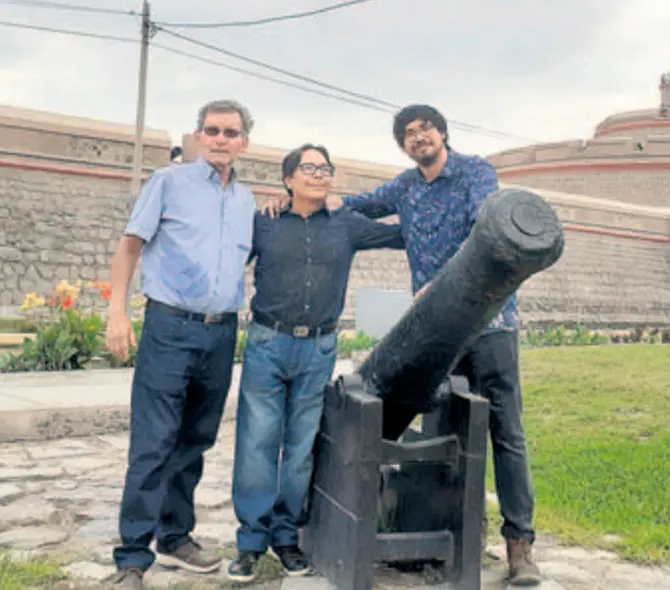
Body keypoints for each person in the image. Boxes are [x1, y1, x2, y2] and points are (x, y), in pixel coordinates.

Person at [263, 104, 542, 586]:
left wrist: (444, 282)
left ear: (443, 133)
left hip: (492, 323)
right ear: (403, 145)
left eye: (426, 128)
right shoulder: (406, 187)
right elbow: (357, 204)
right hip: (439, 333)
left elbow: (484, 225)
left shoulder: (475, 172)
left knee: (507, 435)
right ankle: (426, 523)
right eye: (409, 134)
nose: (419, 138)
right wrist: (298, 200)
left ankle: (521, 547)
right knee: (430, 426)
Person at [228, 144, 406, 583]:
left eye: (325, 168)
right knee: (257, 443)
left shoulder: (346, 225)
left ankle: (287, 537)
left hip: (319, 348)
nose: (319, 174)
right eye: (308, 168)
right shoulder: (262, 223)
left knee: (302, 446)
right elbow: (224, 259)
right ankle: (251, 541)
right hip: (268, 342)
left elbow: (401, 235)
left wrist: (424, 202)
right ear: (288, 179)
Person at [105, 99, 257, 590]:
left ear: (244, 143)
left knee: (195, 438)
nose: (220, 139)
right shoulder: (167, 183)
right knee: (153, 441)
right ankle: (132, 557)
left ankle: (175, 535)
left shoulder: (246, 200)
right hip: (169, 327)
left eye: (230, 132)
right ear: (197, 137)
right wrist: (117, 313)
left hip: (220, 332)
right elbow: (131, 246)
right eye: (211, 130)